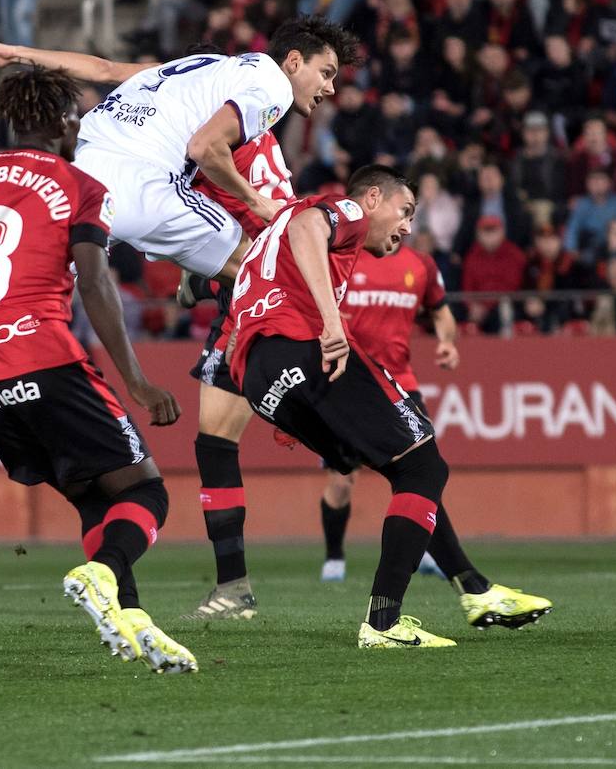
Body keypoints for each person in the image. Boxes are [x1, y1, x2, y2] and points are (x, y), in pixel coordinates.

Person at [0, 68, 194, 673]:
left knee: (98, 503)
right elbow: (96, 279)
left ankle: (132, 622)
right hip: (49, 364)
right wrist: (135, 380)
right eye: (74, 119)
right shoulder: (80, 184)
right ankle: (105, 577)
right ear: (60, 122)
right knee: (146, 491)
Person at [229, 165, 552, 648]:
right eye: (404, 212)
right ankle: (384, 622)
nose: (406, 226)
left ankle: (472, 588)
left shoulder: (276, 229)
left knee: (400, 472)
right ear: (375, 198)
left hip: (260, 380)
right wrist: (332, 322)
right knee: (423, 466)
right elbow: (308, 226)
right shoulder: (348, 211)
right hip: (305, 347)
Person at [0, 16, 360, 285]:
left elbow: (105, 70)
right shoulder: (273, 87)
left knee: (34, 276)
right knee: (263, 269)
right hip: (145, 183)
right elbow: (204, 148)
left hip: (82, 166)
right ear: (292, 62)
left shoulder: (204, 66)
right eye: (325, 73)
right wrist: (259, 203)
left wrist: (16, 54)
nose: (329, 88)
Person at [179, 124, 296, 620]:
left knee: (363, 443)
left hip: (262, 294)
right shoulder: (259, 134)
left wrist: (195, 280)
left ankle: (469, 578)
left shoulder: (206, 149)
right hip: (273, 281)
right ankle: (233, 589)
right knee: (215, 444)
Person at [320, 239, 459, 582]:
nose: (404, 223)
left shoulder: (421, 265)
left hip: (401, 385)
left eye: (410, 214)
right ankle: (334, 556)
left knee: (423, 472)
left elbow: (442, 312)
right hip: (349, 383)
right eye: (402, 211)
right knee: (342, 480)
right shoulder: (343, 258)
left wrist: (446, 341)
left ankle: (426, 551)